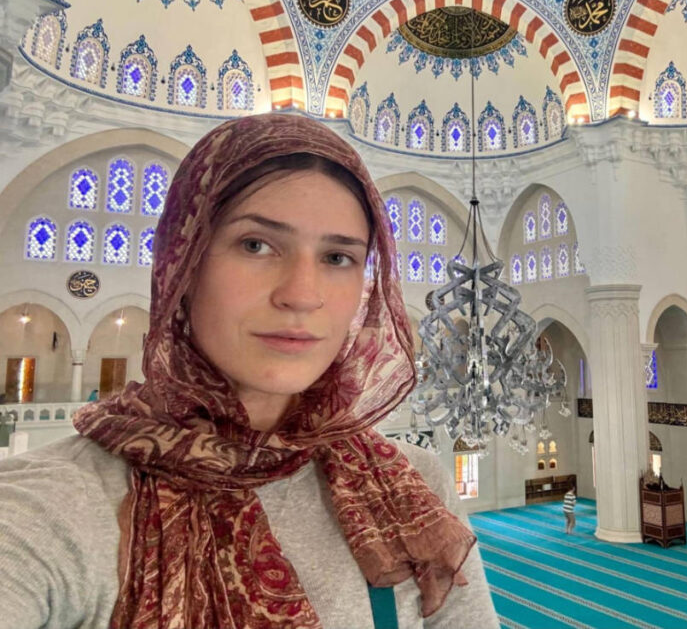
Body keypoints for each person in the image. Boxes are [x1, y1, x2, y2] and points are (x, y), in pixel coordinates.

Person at [0, 114, 499, 629]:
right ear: (183, 263)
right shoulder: (57, 508)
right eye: (256, 245)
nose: (302, 294)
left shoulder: (408, 487)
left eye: (337, 256)